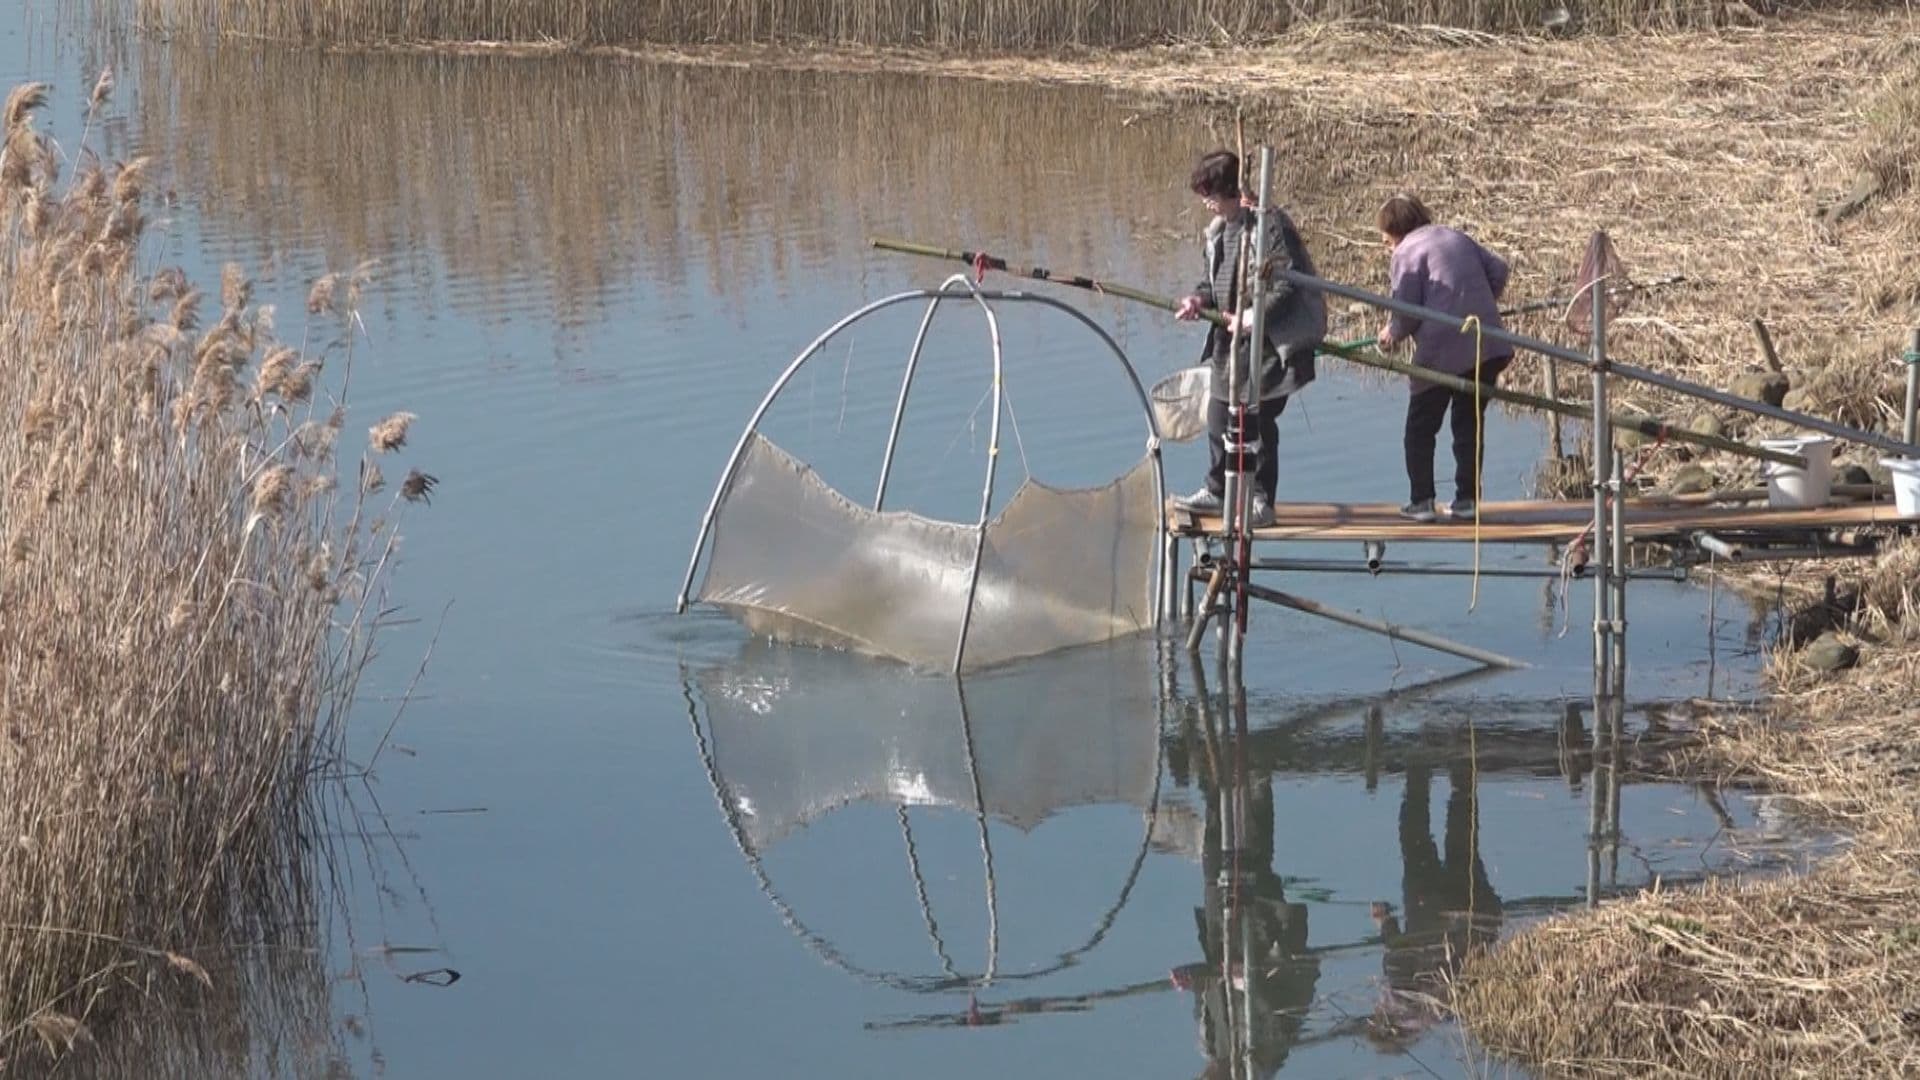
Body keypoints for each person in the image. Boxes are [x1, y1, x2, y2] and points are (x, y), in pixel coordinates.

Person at [1173, 150, 1325, 530]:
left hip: (1268, 346)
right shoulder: (1220, 230)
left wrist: (1255, 317)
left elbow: (1287, 281)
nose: (1206, 203)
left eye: (1210, 194)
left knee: (1256, 423)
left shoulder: (1268, 226)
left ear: (1228, 190)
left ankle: (1260, 500)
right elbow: (1212, 281)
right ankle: (1217, 490)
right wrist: (1198, 300)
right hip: (1229, 346)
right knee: (1218, 416)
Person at [1373, 194, 1514, 523]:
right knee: (1468, 423)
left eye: (1385, 240)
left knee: (1420, 428)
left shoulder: (1406, 252)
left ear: (1396, 232)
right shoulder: (1454, 235)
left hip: (1442, 349)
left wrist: (1391, 334)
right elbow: (1499, 270)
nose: (1386, 247)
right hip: (1485, 342)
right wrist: (1475, 302)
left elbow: (1405, 312)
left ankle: (1422, 500)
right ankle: (1467, 500)